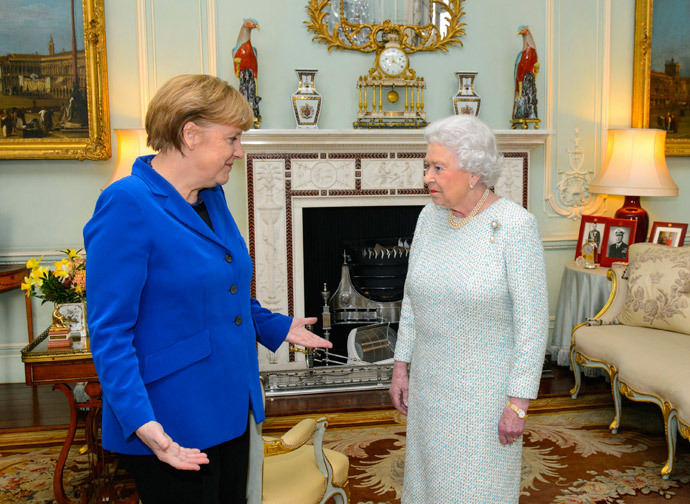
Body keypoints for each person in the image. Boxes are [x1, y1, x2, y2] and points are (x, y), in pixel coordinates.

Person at [84, 74, 332, 504]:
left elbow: (227, 287)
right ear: (191, 134)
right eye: (233, 138)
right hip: (170, 419)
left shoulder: (209, 195)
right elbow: (109, 333)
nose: (240, 151)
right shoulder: (128, 202)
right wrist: (143, 423)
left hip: (232, 404)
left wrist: (275, 326)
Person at [388, 114, 548, 503]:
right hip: (430, 388)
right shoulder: (429, 217)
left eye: (438, 167)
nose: (427, 176)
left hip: (485, 397)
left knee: (475, 490)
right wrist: (400, 366)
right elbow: (412, 297)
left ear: (474, 172)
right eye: (427, 166)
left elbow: (533, 323)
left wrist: (519, 403)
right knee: (428, 487)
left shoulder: (515, 226)